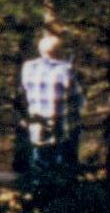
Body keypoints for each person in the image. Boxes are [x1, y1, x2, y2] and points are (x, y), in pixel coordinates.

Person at [17, 32, 80, 188]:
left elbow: (23, 92)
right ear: (59, 51)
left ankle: (40, 199)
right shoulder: (65, 69)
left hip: (37, 124)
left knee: (39, 164)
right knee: (61, 167)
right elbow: (77, 97)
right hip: (61, 125)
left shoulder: (28, 68)